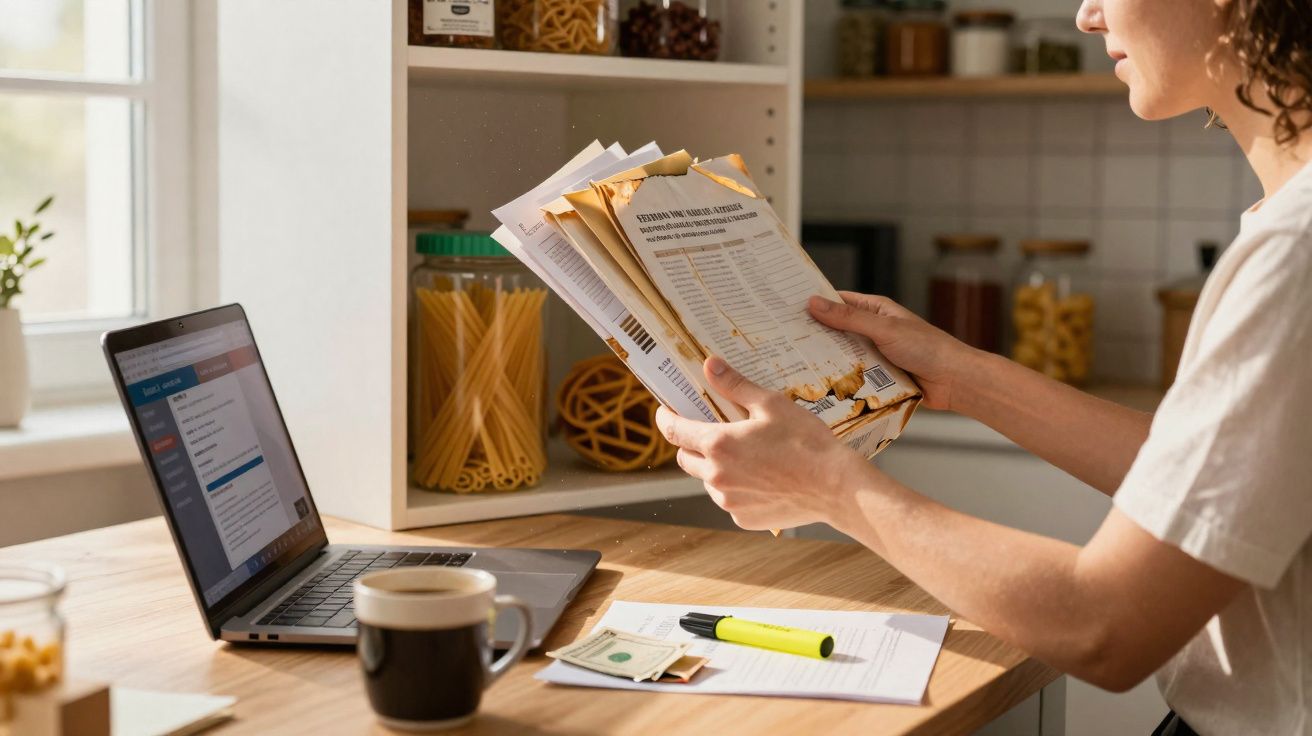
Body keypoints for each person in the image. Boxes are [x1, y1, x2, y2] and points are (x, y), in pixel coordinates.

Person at [655, 0, 1312, 733]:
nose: (1087, 16)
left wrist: (829, 484)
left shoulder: (1296, 254)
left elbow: (1105, 627)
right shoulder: (1288, 226)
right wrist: (961, 372)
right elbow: (1218, 483)